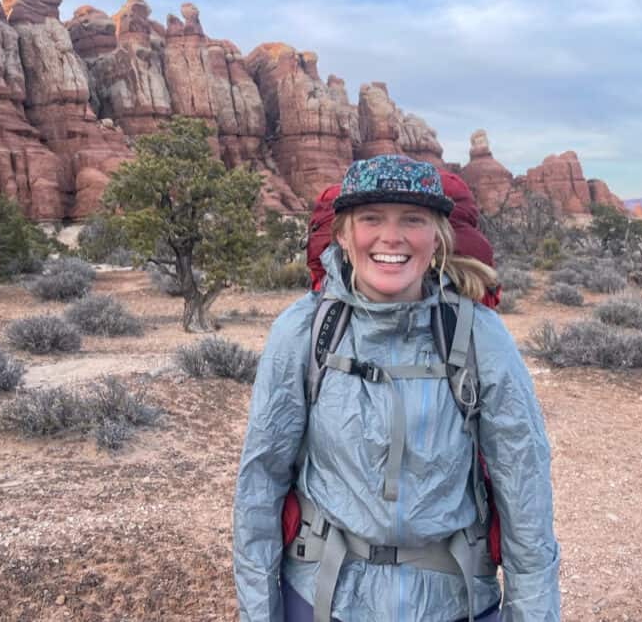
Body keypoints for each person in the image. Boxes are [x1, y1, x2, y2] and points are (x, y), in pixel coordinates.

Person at [233, 154, 560, 622]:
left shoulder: (479, 336)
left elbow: (525, 487)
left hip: (454, 602)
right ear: (344, 235)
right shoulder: (303, 331)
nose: (392, 237)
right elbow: (260, 483)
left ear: (437, 237)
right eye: (371, 219)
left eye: (413, 219)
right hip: (324, 599)